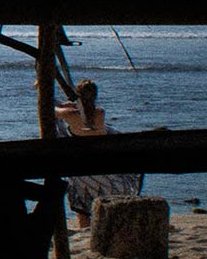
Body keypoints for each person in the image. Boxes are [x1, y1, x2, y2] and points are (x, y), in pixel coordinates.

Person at [54, 79, 142, 228]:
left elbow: (53, 109)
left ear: (78, 95)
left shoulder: (71, 114)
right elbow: (84, 112)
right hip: (102, 164)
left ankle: (85, 229)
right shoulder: (100, 113)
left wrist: (44, 90)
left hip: (82, 168)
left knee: (81, 202)